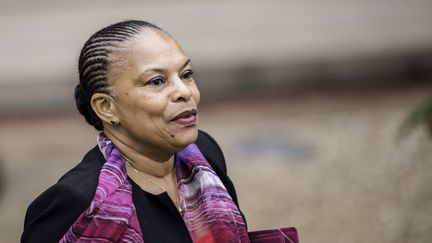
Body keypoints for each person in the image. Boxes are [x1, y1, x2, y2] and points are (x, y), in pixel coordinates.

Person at [21, 20, 249, 243]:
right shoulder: (78, 201)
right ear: (106, 107)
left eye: (186, 74)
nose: (184, 92)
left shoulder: (203, 154)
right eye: (157, 81)